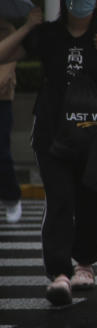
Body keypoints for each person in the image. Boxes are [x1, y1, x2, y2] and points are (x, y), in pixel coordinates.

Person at [0, 0, 97, 305]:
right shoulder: (48, 34)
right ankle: (59, 273)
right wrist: (28, 27)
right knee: (59, 199)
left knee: (92, 201)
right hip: (52, 133)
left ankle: (84, 266)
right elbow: (3, 54)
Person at [0, 19, 20, 224]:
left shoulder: (8, 30)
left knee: (2, 154)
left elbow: (4, 75)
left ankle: (11, 197)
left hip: (2, 100)